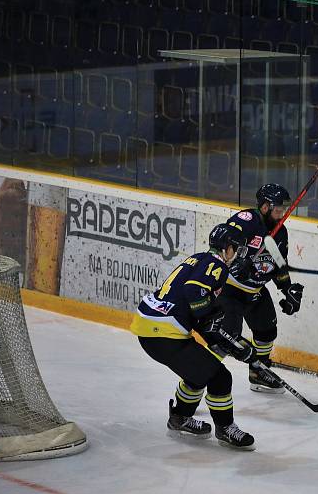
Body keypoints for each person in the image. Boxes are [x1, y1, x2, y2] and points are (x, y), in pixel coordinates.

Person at [130, 221, 258, 450]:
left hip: (150, 326)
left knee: (198, 372)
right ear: (226, 247)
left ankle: (180, 417)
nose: (237, 254)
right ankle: (225, 428)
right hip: (164, 332)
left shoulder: (199, 258)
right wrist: (216, 327)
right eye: (236, 249)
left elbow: (197, 309)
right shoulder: (218, 265)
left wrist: (219, 336)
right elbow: (193, 294)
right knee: (220, 377)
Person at [216, 183, 304, 394]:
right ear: (265, 207)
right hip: (230, 290)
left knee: (266, 331)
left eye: (283, 209)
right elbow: (224, 239)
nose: (282, 213)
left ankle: (259, 373)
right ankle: (196, 378)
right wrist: (239, 259)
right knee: (224, 342)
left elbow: (278, 265)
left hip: (254, 291)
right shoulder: (246, 220)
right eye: (278, 209)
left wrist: (287, 289)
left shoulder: (281, 232)